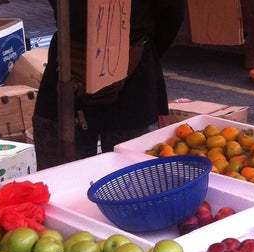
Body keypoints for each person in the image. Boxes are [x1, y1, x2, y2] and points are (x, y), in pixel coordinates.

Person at [33, 0, 185, 170]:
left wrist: (136, 49)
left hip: (131, 74)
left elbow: (172, 15)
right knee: (59, 175)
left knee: (130, 175)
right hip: (70, 64)